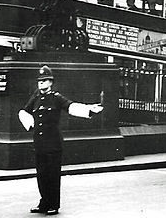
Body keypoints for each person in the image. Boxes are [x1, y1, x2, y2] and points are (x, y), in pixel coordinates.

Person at [18, 65, 104, 215]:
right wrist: (29, 123)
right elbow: (24, 111)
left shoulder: (56, 98)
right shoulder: (36, 97)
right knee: (41, 175)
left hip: (53, 143)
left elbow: (71, 106)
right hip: (39, 143)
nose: (41, 83)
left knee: (52, 175)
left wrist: (89, 110)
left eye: (45, 81)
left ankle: (54, 204)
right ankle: (44, 202)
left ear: (51, 82)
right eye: (40, 81)